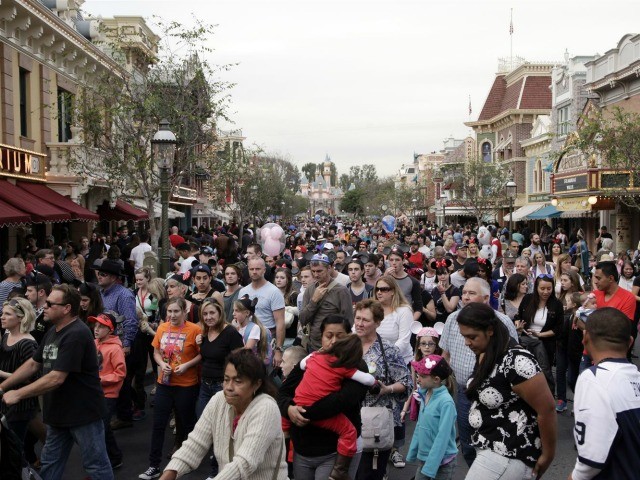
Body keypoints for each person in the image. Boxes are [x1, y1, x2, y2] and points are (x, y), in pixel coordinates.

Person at [0, 284, 113, 480]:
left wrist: (17, 394)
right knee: (50, 464)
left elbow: (56, 377)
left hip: (83, 414)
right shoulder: (54, 330)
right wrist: (3, 386)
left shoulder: (77, 333)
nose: (44, 306)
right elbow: (33, 364)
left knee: (96, 466)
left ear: (67, 308)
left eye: (50, 304)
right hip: (58, 413)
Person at [457, 303, 556, 479]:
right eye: (464, 336)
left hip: (509, 454)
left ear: (490, 330)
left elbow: (547, 410)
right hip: (490, 448)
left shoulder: (517, 361)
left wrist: (548, 455)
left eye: (472, 337)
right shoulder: (487, 351)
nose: (467, 343)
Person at [160, 349, 288, 480]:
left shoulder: (266, 408)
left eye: (238, 381)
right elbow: (195, 444)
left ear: (257, 384)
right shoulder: (218, 400)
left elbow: (244, 463)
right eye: (226, 379)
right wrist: (168, 474)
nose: (229, 387)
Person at [439, 277, 519, 467]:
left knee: (495, 442)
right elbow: (445, 354)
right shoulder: (452, 319)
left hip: (496, 394)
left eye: (471, 293)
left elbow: (515, 358)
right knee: (467, 443)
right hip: (464, 393)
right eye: (464, 293)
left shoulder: (502, 322)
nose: (465, 297)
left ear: (485, 298)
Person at [279, 315, 369, 480]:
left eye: (340, 336)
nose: (334, 341)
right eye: (329, 336)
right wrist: (289, 409)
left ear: (349, 337)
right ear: (321, 337)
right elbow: (284, 392)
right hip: (302, 449)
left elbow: (339, 402)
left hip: (333, 450)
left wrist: (303, 412)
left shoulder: (356, 366)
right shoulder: (311, 361)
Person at [569, 307, 640, 479]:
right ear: (630, 342)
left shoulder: (592, 379)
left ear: (585, 338)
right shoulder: (636, 376)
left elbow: (591, 460)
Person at [139, 297, 202, 480]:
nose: (172, 315)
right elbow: (156, 352)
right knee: (158, 424)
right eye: (170, 311)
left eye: (176, 311)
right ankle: (154, 466)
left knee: (186, 424)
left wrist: (187, 365)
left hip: (186, 385)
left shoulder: (194, 330)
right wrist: (161, 364)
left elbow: (201, 355)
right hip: (164, 383)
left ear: (184, 312)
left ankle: (187, 463)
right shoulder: (162, 328)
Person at [353, 299, 411, 480]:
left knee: (369, 474)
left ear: (377, 323)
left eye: (365, 320)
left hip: (375, 423)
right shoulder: (346, 345)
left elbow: (406, 382)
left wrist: (387, 389)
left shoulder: (388, 350)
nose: (359, 323)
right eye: (357, 318)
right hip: (348, 420)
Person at [93, 259, 138, 431]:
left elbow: (130, 321)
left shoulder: (124, 294)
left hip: (118, 344)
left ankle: (125, 416)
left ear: (113, 277)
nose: (99, 276)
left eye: (103, 274)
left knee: (122, 381)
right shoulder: (101, 292)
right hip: (104, 342)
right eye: (99, 273)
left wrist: (126, 344)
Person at [405, 355, 457, 480]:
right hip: (425, 458)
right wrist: (413, 451)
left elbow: (442, 436)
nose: (418, 379)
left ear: (436, 379)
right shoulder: (425, 394)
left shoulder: (446, 402)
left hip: (442, 462)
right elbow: (420, 426)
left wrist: (430, 466)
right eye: (418, 375)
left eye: (423, 376)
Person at [517, 274, 564, 394]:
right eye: (542, 288)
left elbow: (558, 329)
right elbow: (518, 316)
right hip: (526, 342)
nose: (545, 292)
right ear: (536, 288)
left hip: (545, 344)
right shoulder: (528, 299)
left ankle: (546, 397)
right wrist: (519, 325)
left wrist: (540, 335)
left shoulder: (557, 304)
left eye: (549, 288)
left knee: (544, 373)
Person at [0, 298, 38, 446]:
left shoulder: (27, 343)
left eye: (8, 314)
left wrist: (1, 374)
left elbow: (32, 379)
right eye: (3, 313)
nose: (2, 317)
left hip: (20, 405)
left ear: (21, 317)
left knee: (15, 447)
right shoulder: (6, 336)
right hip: (5, 400)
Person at [90, 312, 126, 470]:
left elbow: (120, 373)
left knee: (102, 428)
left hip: (108, 394)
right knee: (98, 428)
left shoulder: (115, 349)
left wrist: (100, 379)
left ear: (110, 330)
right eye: (95, 325)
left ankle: (114, 458)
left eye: (101, 326)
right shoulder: (93, 343)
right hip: (93, 392)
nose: (96, 329)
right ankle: (107, 457)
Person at [299, 254, 353, 352]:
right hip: (313, 345)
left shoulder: (341, 291)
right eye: (313, 271)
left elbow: (349, 321)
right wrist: (314, 301)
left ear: (328, 268)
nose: (316, 274)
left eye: (319, 271)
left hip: (334, 347)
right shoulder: (309, 290)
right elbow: (303, 319)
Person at [238, 258, 286, 366]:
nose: (254, 272)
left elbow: (280, 322)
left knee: (265, 372)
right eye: (251, 269)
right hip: (246, 338)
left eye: (258, 269)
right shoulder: (243, 291)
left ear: (264, 270)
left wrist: (278, 350)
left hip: (266, 338)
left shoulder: (274, 292)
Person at [374, 276, 414, 364]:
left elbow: (403, 341)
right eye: (377, 289)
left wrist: (384, 356)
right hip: (374, 361)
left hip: (400, 361)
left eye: (384, 289)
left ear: (393, 291)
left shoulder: (404, 311)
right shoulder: (371, 309)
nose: (379, 292)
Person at [429, 260, 460, 325]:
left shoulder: (455, 290)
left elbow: (449, 309)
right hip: (437, 323)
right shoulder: (434, 290)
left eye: (445, 274)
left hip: (449, 323)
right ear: (437, 276)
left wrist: (442, 292)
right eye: (440, 274)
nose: (442, 277)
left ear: (449, 273)